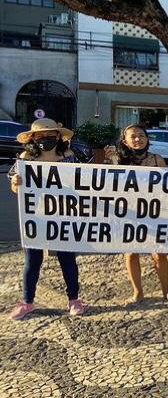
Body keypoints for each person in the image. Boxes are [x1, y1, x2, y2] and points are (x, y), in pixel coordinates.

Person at [7, 118, 87, 320]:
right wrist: (16, 183)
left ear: (58, 136)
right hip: (35, 216)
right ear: (33, 138)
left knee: (67, 258)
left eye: (50, 134)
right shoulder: (26, 158)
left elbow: (83, 182)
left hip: (63, 214)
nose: (45, 138)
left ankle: (74, 299)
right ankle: (27, 302)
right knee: (32, 261)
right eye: (40, 135)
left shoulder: (69, 157)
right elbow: (16, 188)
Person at [104, 125, 168, 305]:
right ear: (125, 141)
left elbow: (167, 188)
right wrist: (107, 160)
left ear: (147, 139)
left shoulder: (157, 159)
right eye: (133, 137)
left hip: (154, 213)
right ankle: (137, 292)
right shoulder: (117, 160)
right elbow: (105, 182)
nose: (138, 139)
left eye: (141, 136)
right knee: (131, 253)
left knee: (160, 253)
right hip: (128, 214)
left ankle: (166, 290)